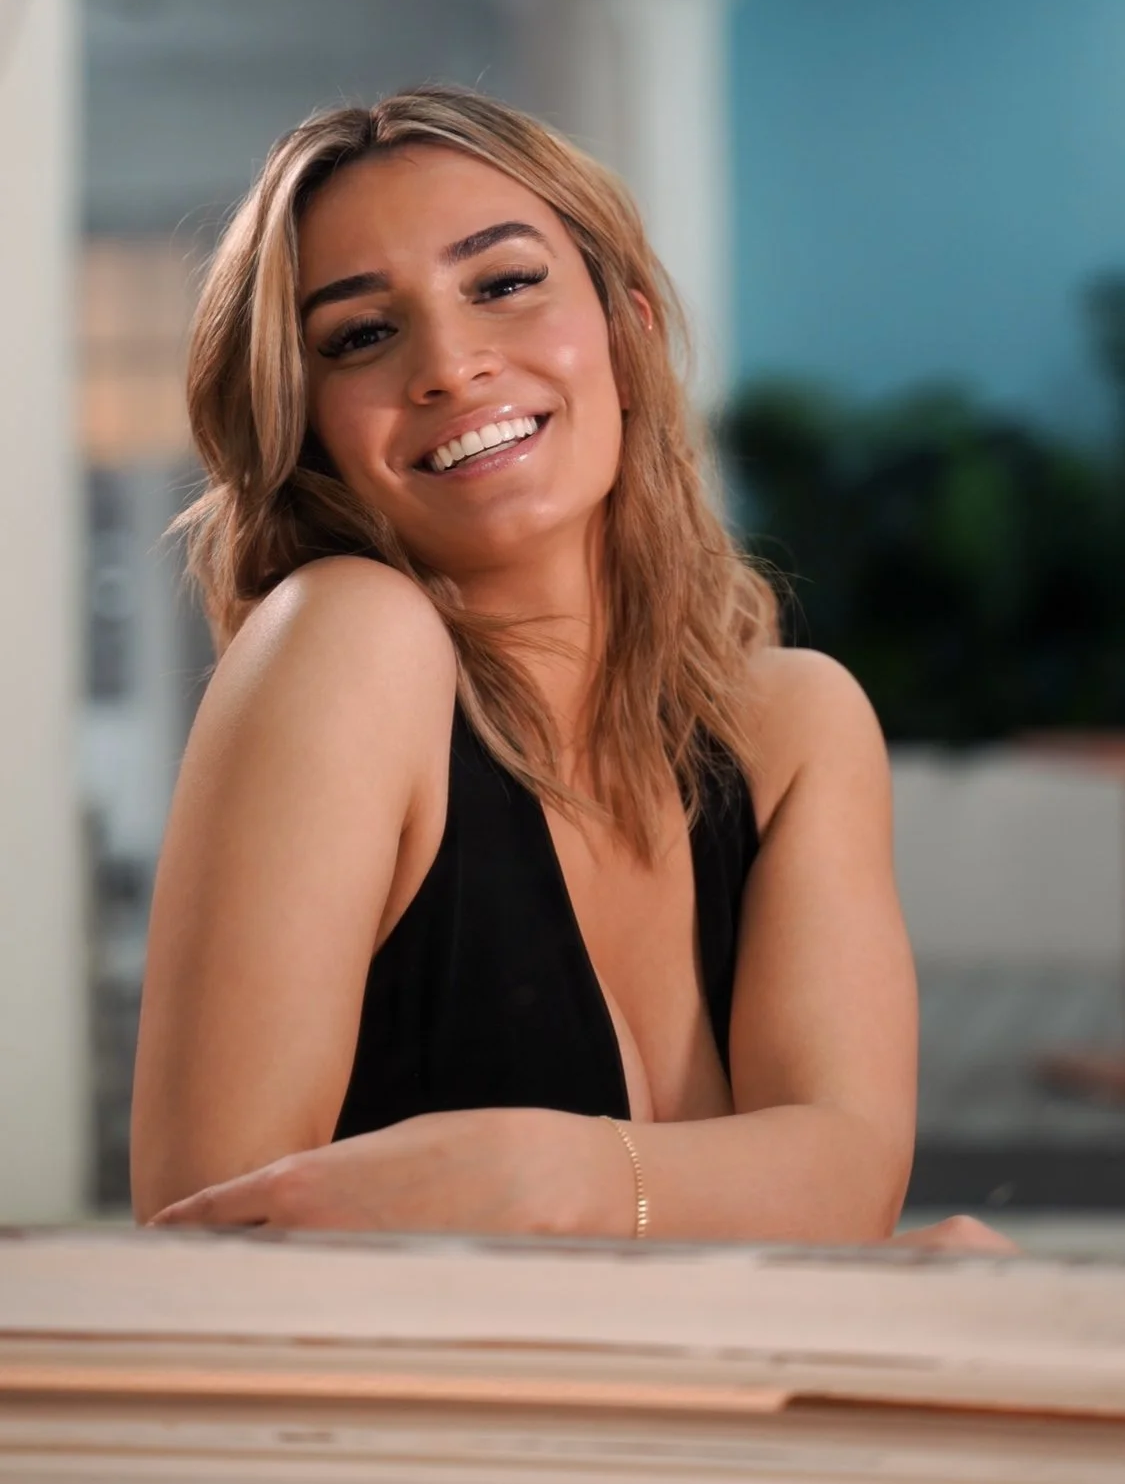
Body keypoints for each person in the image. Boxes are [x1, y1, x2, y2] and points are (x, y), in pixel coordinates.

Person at [130, 85, 1005, 1252]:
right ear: (311, 430)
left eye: (502, 284)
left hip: (712, 1421)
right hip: (400, 1432)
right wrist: (725, 1184)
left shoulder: (794, 725)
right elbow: (212, 1234)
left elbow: (850, 1172)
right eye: (359, 335)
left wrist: (554, 1173)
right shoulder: (345, 639)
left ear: (629, 335)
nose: (449, 364)